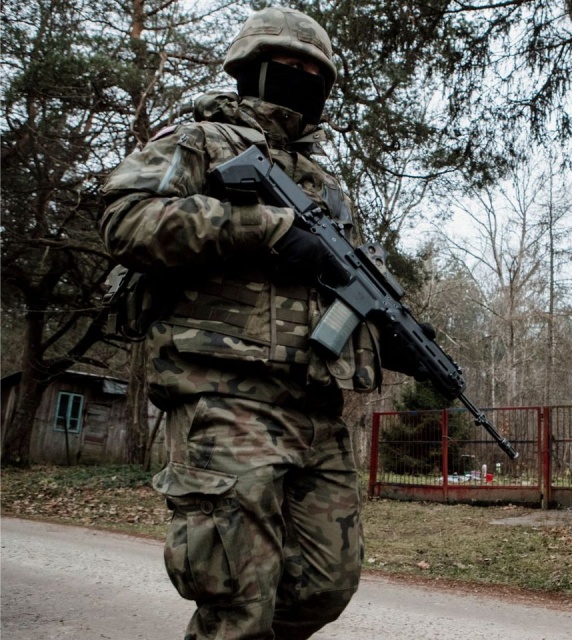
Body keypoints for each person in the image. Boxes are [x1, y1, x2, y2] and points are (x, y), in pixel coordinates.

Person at [100, 7, 385, 639]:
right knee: (237, 598)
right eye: (288, 67)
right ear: (249, 69)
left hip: (315, 406)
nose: (303, 79)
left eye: (316, 72)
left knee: (324, 585)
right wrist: (266, 226)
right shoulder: (199, 141)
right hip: (224, 394)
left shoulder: (330, 187)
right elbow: (126, 220)